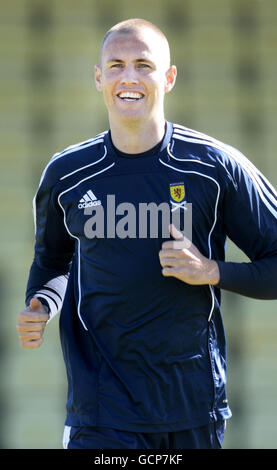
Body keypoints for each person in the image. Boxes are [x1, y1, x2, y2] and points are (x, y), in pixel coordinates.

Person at [17, 18, 277, 450]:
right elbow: (51, 261)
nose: (129, 77)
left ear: (169, 77)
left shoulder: (215, 168)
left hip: (191, 407)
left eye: (144, 64)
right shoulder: (67, 175)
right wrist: (42, 301)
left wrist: (212, 271)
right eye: (116, 65)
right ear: (99, 77)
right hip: (99, 411)